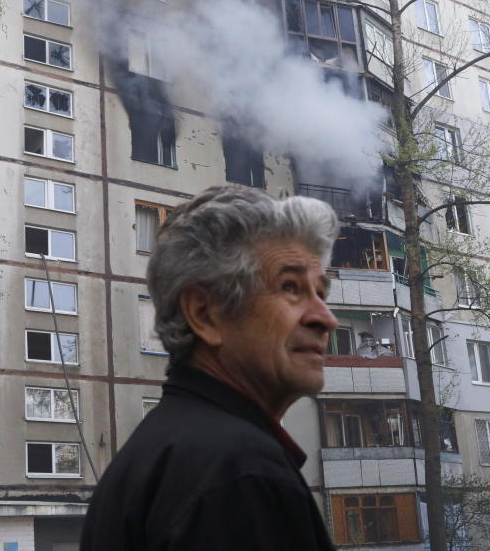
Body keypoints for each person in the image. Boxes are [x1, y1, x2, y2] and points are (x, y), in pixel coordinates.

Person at [80, 185, 339, 550]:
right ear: (205, 314)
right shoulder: (242, 475)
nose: (326, 319)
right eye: (290, 287)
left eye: (321, 293)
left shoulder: (150, 460)